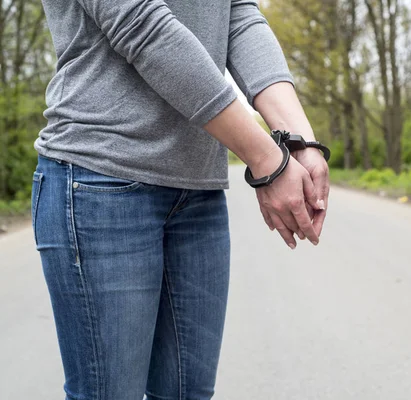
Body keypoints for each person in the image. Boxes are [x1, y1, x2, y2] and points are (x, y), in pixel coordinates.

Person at [31, 0, 330, 399]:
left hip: (197, 191)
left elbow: (237, 15)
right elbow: (140, 23)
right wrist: (266, 159)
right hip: (99, 178)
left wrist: (299, 139)